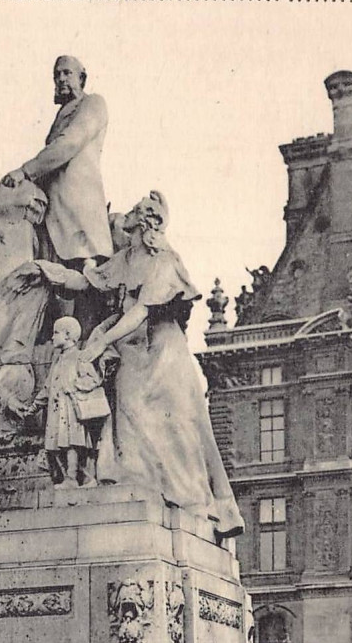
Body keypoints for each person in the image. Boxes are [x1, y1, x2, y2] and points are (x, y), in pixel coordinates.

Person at [34, 192, 245, 538]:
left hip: (163, 349)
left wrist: (102, 339)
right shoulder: (125, 258)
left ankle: (191, 499)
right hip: (132, 350)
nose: (125, 217)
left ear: (144, 221)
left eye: (132, 212)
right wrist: (46, 271)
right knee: (129, 412)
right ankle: (139, 484)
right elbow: (85, 281)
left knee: (176, 424)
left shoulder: (164, 260)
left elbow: (141, 311)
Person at [1, 56, 113, 266]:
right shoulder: (62, 114)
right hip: (54, 219)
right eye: (56, 75)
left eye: (67, 73)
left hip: (80, 219)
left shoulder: (92, 103)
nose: (61, 79)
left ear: (82, 78)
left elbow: (68, 143)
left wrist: (25, 172)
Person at [25, 316, 109, 489]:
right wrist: (33, 407)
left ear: (68, 335)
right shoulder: (58, 360)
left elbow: (93, 379)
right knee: (56, 446)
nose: (52, 337)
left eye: (56, 333)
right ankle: (83, 479)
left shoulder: (79, 357)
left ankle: (71, 479)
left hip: (71, 410)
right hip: (57, 411)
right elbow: (47, 388)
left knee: (72, 444)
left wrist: (75, 387)